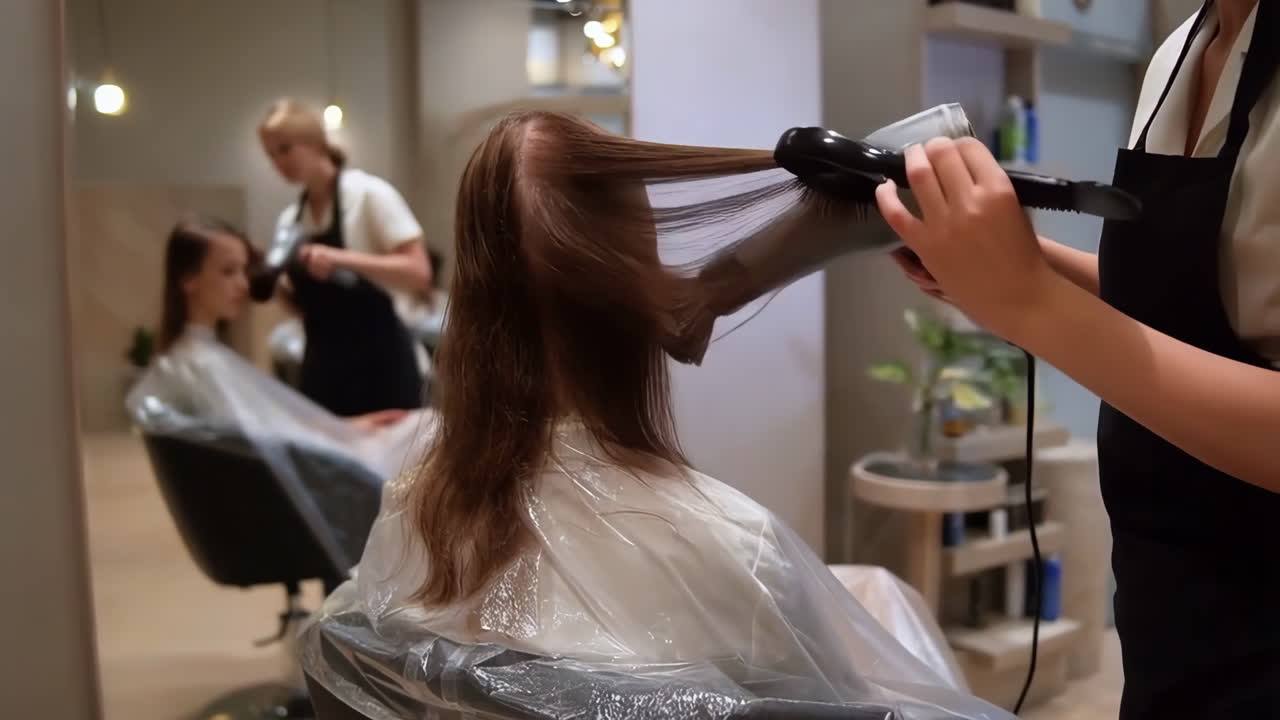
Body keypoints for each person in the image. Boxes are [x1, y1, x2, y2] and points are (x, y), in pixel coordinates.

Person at [301, 112, 1010, 720]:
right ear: (635, 290)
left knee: (872, 591)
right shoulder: (739, 550)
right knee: (889, 601)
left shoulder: (411, 506)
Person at [875, 1, 1280, 716]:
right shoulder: (1179, 54)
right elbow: (1199, 306)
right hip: (1168, 612)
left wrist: (1032, 304)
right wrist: (1015, 269)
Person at [126, 216, 430, 481]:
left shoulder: (193, 358)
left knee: (422, 426)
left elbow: (265, 427)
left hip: (319, 454)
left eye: (243, 271)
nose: (244, 285)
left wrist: (345, 427)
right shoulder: (199, 365)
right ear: (188, 279)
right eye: (228, 271)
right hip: (323, 469)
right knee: (430, 430)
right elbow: (264, 441)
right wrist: (345, 433)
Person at [256, 98, 431, 417]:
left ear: (315, 142)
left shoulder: (369, 195)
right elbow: (301, 307)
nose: (278, 162)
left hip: (382, 364)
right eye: (271, 155)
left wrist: (341, 260)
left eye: (285, 149)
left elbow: (418, 272)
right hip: (323, 367)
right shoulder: (290, 221)